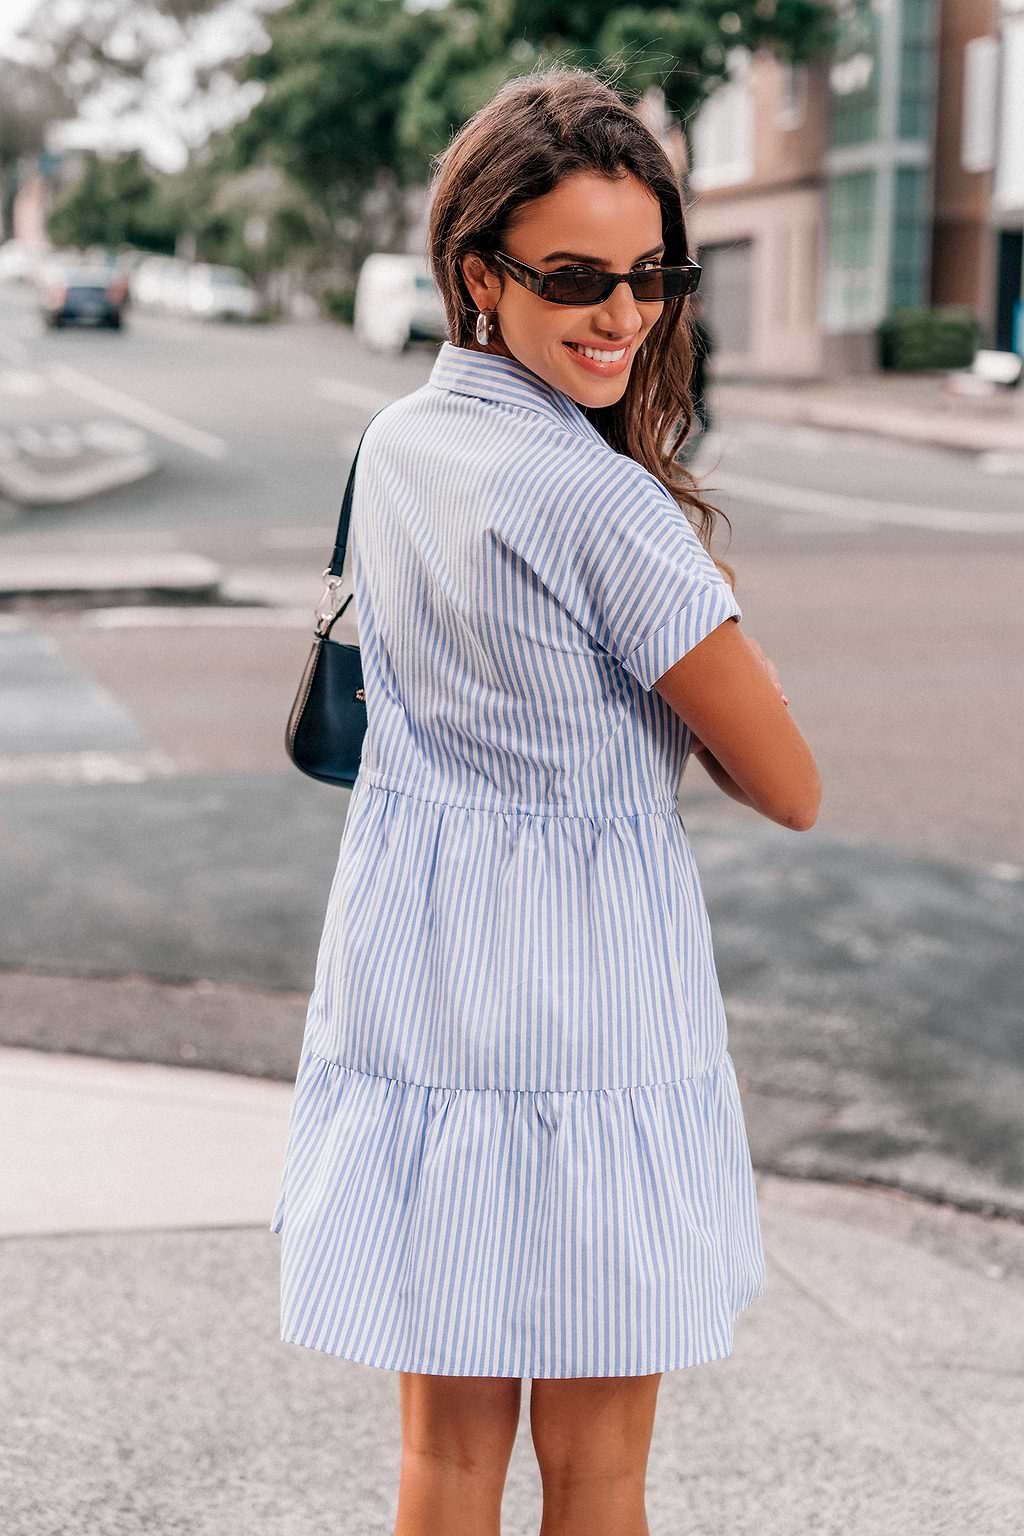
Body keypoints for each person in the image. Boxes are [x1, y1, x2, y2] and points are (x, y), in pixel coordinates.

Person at [270, 65, 821, 1536]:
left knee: (442, 1466)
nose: (624, 314)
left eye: (650, 275)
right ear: (479, 272)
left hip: (417, 977)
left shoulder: (399, 445)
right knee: (598, 1475)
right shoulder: (606, 505)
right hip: (585, 1000)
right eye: (576, 276)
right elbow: (790, 785)